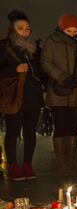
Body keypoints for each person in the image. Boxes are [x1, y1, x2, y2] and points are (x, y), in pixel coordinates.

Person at [41, 13, 77, 178]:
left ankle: (71, 162)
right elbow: (46, 63)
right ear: (62, 28)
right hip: (59, 91)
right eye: (69, 30)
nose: (72, 33)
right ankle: (63, 164)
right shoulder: (52, 42)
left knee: (72, 128)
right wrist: (62, 77)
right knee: (61, 126)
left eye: (74, 30)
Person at [0, 10, 45, 181]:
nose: (25, 31)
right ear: (12, 29)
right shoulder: (4, 46)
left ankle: (27, 164)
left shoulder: (35, 48)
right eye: (20, 28)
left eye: (27, 28)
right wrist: (14, 70)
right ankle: (12, 165)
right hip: (14, 96)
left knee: (30, 132)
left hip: (32, 95)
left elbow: (41, 71)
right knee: (12, 131)